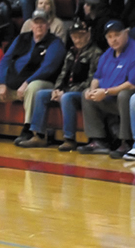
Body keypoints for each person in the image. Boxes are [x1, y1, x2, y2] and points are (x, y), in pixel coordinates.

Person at [0, 9, 65, 143]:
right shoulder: (22, 38)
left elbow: (48, 68)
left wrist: (26, 82)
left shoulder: (55, 43)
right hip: (15, 81)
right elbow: (5, 60)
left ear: (48, 25)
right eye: (36, 23)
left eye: (42, 23)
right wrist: (2, 82)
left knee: (33, 86)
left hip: (42, 83)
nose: (39, 26)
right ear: (31, 24)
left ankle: (29, 130)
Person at [19, 18, 102, 151]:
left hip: (83, 92)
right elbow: (62, 74)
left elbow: (91, 80)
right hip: (66, 89)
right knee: (41, 95)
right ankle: (39, 135)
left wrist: (66, 92)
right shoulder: (70, 52)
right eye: (75, 37)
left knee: (66, 98)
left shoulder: (96, 53)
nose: (78, 40)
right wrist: (57, 88)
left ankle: (69, 138)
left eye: (81, 36)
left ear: (88, 34)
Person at [79, 20, 135, 155]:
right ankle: (99, 140)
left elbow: (133, 83)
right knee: (86, 95)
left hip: (126, 101)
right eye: (110, 37)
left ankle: (126, 142)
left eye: (117, 35)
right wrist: (92, 89)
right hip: (109, 98)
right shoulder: (107, 54)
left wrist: (106, 92)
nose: (113, 40)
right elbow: (97, 77)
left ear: (126, 33)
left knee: (125, 95)